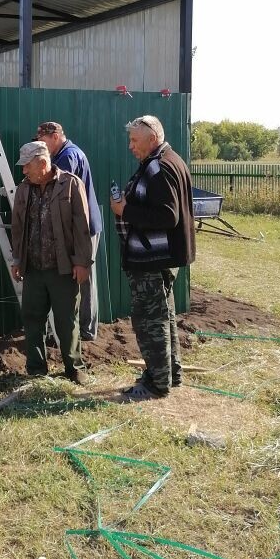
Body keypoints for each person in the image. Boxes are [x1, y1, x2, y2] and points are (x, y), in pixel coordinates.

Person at [110, 115, 195, 401]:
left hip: (152, 260)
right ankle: (169, 373)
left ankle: (157, 384)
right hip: (160, 258)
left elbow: (167, 216)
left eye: (135, 140)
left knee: (150, 321)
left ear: (152, 139)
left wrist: (125, 211)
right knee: (164, 317)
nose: (131, 146)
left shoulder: (159, 167)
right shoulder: (168, 161)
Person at [11, 141, 93, 385]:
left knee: (67, 320)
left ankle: (74, 368)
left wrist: (82, 262)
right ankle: (36, 369)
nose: (24, 171)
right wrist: (17, 259)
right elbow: (17, 228)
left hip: (64, 269)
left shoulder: (70, 184)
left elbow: (82, 227)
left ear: (43, 163)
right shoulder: (24, 189)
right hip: (34, 268)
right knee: (32, 318)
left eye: (27, 166)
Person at [36, 121, 103, 340]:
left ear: (55, 136)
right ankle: (80, 329)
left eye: (43, 139)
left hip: (84, 228)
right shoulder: (62, 155)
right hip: (78, 226)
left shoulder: (68, 157)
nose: (41, 144)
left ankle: (85, 331)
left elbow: (60, 194)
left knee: (84, 277)